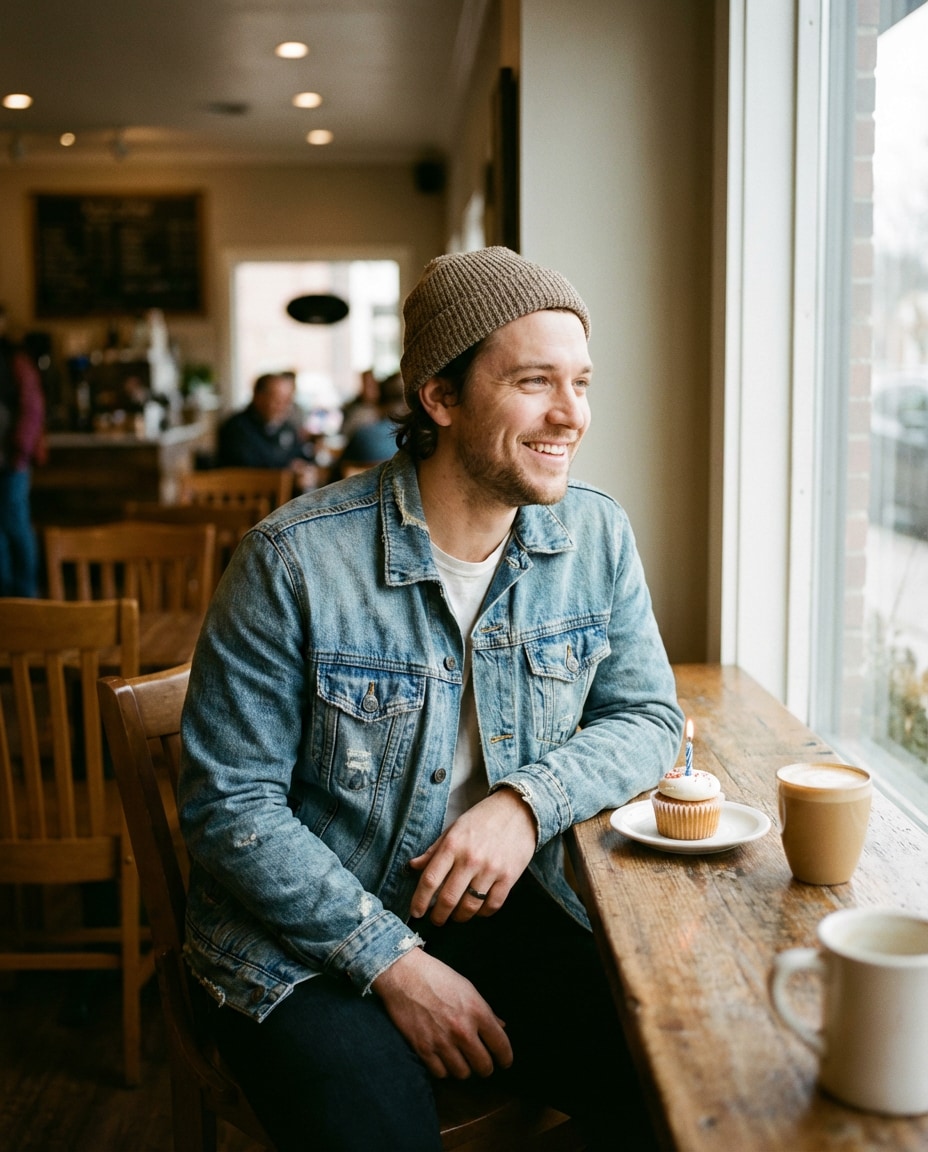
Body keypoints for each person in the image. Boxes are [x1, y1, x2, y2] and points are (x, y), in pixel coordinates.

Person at [178, 246, 684, 1151]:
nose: (572, 415)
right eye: (535, 381)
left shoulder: (595, 534)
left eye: (580, 382)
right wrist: (393, 963)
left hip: (500, 902)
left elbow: (649, 718)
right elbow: (228, 806)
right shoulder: (292, 560)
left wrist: (524, 805)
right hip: (301, 935)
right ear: (439, 399)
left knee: (676, 1075)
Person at [0, 306, 45, 597]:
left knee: (15, 525)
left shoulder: (15, 360)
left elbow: (32, 410)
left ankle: (27, 597)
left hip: (12, 461)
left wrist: (18, 452)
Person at [216, 371, 316, 490]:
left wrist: (304, 468)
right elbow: (249, 469)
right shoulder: (236, 428)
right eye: (278, 400)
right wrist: (289, 471)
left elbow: (300, 454)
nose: (284, 406)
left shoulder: (286, 427)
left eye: (287, 401)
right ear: (258, 397)